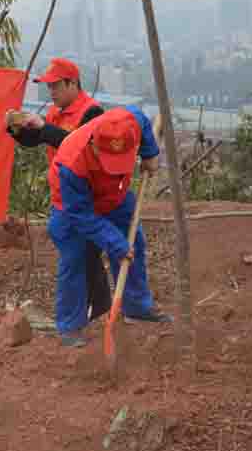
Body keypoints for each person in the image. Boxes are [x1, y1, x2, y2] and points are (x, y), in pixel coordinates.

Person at [5, 57, 112, 345]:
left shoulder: (93, 113)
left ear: (72, 84)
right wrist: (16, 127)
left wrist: (44, 127)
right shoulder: (55, 113)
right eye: (48, 87)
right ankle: (92, 315)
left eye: (55, 86)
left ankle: (77, 324)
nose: (51, 92)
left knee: (78, 261)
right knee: (81, 259)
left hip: (86, 202)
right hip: (63, 202)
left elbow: (80, 147)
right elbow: (38, 138)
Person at [49, 106, 172, 345]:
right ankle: (70, 327)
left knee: (133, 241)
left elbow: (144, 124)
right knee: (74, 258)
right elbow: (81, 215)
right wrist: (115, 243)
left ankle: (136, 306)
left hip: (115, 195)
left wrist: (149, 154)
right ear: (94, 144)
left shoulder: (129, 123)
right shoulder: (71, 163)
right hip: (72, 205)